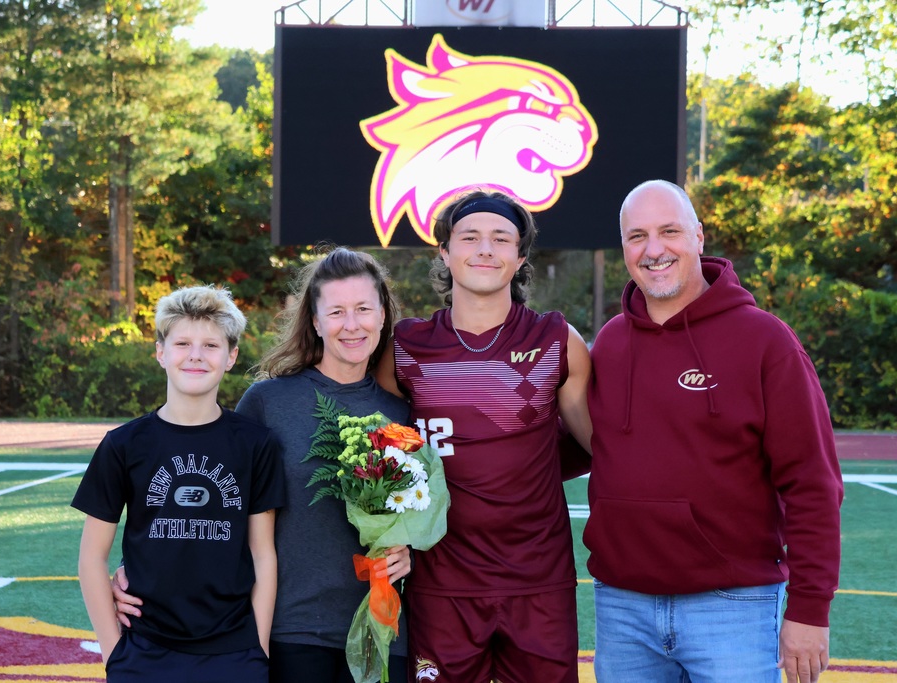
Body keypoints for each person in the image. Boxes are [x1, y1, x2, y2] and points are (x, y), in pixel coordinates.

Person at [112, 248, 414, 683]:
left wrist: (409, 555)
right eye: (337, 311)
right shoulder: (268, 402)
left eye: (364, 309)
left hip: (383, 631)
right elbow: (212, 503)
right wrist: (138, 571)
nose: (352, 324)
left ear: (383, 315)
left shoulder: (403, 411)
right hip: (290, 632)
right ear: (314, 321)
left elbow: (424, 512)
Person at [584, 179, 844, 683]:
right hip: (622, 607)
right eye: (637, 236)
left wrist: (810, 609)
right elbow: (581, 444)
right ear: (624, 249)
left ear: (699, 237)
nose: (654, 249)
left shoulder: (765, 340)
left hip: (733, 607)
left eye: (669, 231)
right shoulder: (611, 344)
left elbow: (812, 482)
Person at [376, 188, 593, 683]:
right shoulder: (407, 347)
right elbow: (376, 444)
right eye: (469, 237)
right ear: (445, 253)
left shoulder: (557, 340)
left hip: (537, 580)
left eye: (501, 238)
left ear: (520, 258)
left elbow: (601, 444)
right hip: (442, 581)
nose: (485, 249)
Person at [73, 285, 285, 683]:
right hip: (144, 651)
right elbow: (90, 557)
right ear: (161, 352)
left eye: (211, 345)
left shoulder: (255, 444)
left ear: (231, 357)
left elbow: (263, 555)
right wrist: (113, 652)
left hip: (233, 652)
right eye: (183, 342)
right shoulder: (124, 444)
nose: (196, 355)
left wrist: (258, 649)